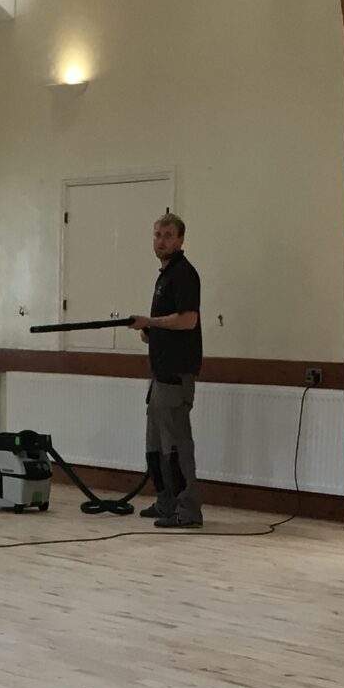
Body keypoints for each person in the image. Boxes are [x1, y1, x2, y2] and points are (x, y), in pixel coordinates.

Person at [129, 213, 203, 529]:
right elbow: (167, 323)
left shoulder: (184, 274)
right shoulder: (164, 275)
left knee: (176, 446)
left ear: (181, 240)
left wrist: (150, 322)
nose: (161, 241)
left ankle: (188, 509)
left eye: (168, 235)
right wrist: (151, 331)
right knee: (156, 445)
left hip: (176, 373)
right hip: (159, 374)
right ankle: (166, 502)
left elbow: (188, 320)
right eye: (157, 234)